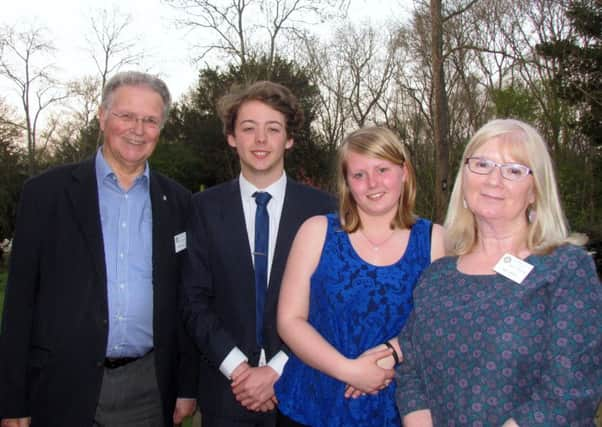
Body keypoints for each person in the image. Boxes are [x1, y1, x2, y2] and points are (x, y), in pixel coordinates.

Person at [0, 71, 199, 427]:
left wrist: (186, 386)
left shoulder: (180, 203)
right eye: (126, 115)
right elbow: (18, 303)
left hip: (148, 390)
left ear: (161, 128)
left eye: (150, 120)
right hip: (61, 386)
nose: (137, 129)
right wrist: (12, 400)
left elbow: (185, 301)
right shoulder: (45, 195)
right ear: (102, 116)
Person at [395, 118, 602, 426]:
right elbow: (411, 368)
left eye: (514, 170)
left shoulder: (565, 269)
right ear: (464, 179)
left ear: (535, 191)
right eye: (482, 164)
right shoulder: (437, 276)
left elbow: (571, 392)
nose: (494, 180)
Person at [180, 80, 335, 427]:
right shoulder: (202, 208)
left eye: (273, 129)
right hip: (227, 392)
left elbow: (328, 303)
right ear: (232, 137)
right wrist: (239, 370)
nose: (261, 140)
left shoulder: (324, 212)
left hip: (302, 387)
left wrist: (276, 369)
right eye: (249, 128)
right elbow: (193, 301)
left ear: (289, 138)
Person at [275, 126, 446, 427]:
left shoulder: (435, 241)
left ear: (404, 172)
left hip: (399, 409)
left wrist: (392, 355)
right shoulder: (316, 232)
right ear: (346, 183)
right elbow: (289, 320)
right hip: (313, 405)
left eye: (382, 169)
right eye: (359, 174)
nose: (372, 183)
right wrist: (349, 370)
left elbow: (440, 324)